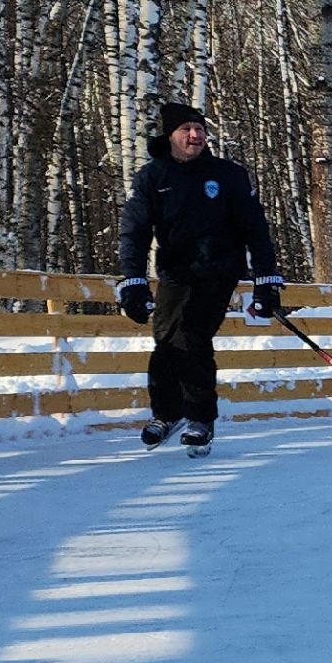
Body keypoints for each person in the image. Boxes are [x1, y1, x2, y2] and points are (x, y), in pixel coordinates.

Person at [118, 102, 284, 452]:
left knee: (191, 335)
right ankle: (166, 413)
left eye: (199, 129)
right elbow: (134, 231)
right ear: (170, 135)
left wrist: (266, 280)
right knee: (164, 339)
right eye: (186, 130)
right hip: (175, 273)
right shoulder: (153, 177)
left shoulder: (227, 175)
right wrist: (132, 281)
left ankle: (200, 418)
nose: (194, 135)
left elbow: (255, 229)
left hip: (218, 270)